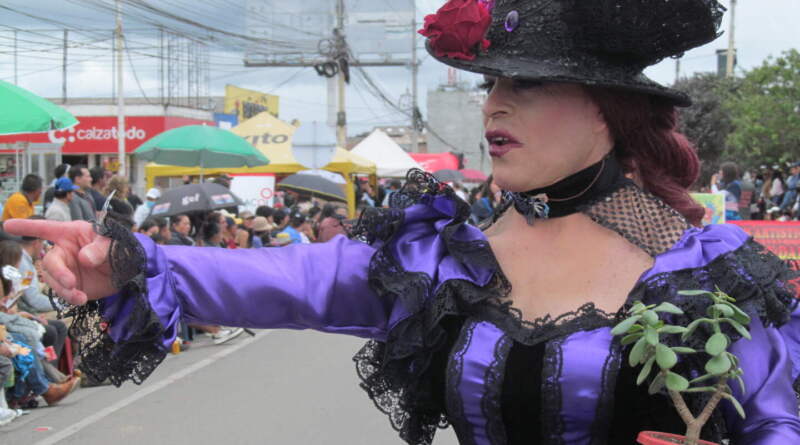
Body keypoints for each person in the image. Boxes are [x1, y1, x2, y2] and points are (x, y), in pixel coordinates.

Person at [6, 2, 800, 444]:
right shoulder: (444, 260)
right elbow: (285, 278)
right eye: (491, 83)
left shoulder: (707, 271)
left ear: (608, 109)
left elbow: (778, 425)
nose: (493, 105)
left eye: (525, 83)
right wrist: (126, 259)